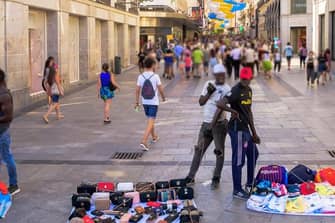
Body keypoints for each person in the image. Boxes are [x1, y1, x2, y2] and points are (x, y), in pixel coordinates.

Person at [213, 67, 260, 200]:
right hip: (236, 129)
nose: (245, 81)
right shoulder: (235, 90)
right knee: (239, 160)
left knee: (254, 154)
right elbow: (220, 104)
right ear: (240, 77)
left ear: (251, 78)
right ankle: (237, 190)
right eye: (243, 79)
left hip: (245, 129)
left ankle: (250, 183)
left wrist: (254, 133)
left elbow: (249, 112)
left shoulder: (249, 90)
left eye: (247, 79)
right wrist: (232, 111)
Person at [184, 64, 233, 190]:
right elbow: (201, 102)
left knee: (219, 152)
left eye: (223, 74)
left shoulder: (227, 88)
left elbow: (224, 107)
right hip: (205, 123)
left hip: (220, 125)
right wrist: (209, 93)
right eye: (219, 75)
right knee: (199, 150)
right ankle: (190, 176)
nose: (221, 77)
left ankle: (216, 177)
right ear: (215, 75)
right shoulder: (208, 84)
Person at [135, 57, 166, 151]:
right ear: (153, 65)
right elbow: (160, 88)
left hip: (145, 102)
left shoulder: (141, 76)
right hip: (153, 102)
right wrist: (163, 97)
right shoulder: (155, 76)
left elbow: (137, 90)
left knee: (150, 120)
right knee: (151, 120)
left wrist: (137, 102)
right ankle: (143, 141)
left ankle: (154, 137)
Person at [0, 69, 20, 195]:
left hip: (2, 131)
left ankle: (14, 185)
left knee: (7, 157)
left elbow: (8, 116)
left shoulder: (4, 95)